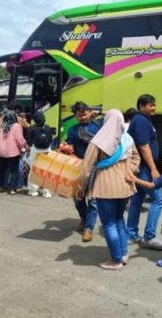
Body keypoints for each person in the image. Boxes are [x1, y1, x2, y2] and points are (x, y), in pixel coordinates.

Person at [76, 109, 140, 271]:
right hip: (125, 186)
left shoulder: (98, 141)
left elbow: (85, 169)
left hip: (106, 187)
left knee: (109, 224)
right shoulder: (127, 139)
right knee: (119, 219)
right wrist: (129, 170)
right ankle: (123, 254)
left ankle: (116, 260)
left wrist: (80, 188)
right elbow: (136, 158)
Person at [126, 94, 162, 250]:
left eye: (154, 104)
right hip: (144, 168)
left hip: (141, 167)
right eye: (150, 105)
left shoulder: (143, 120)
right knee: (158, 198)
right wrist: (154, 169)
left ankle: (131, 234)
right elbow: (144, 146)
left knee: (137, 199)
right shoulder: (141, 121)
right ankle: (149, 236)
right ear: (141, 106)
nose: (153, 107)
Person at [60, 101, 101, 242]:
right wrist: (66, 147)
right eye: (79, 115)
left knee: (94, 200)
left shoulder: (98, 126)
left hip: (97, 166)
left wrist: (99, 113)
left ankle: (88, 228)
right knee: (78, 199)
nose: (83, 117)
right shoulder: (72, 130)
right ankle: (84, 219)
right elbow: (70, 146)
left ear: (89, 112)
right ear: (75, 116)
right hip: (79, 167)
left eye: (84, 114)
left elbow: (116, 116)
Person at [0, 110, 27, 195]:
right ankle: (12, 189)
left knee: (1, 170)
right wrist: (24, 145)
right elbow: (19, 140)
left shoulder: (1, 126)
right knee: (14, 171)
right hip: (13, 152)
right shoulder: (17, 126)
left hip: (2, 152)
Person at [26, 111, 54, 198]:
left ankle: (33, 190)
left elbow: (29, 142)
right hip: (47, 150)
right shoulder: (48, 128)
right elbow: (50, 140)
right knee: (47, 170)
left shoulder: (31, 128)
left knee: (34, 170)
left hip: (35, 150)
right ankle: (47, 192)